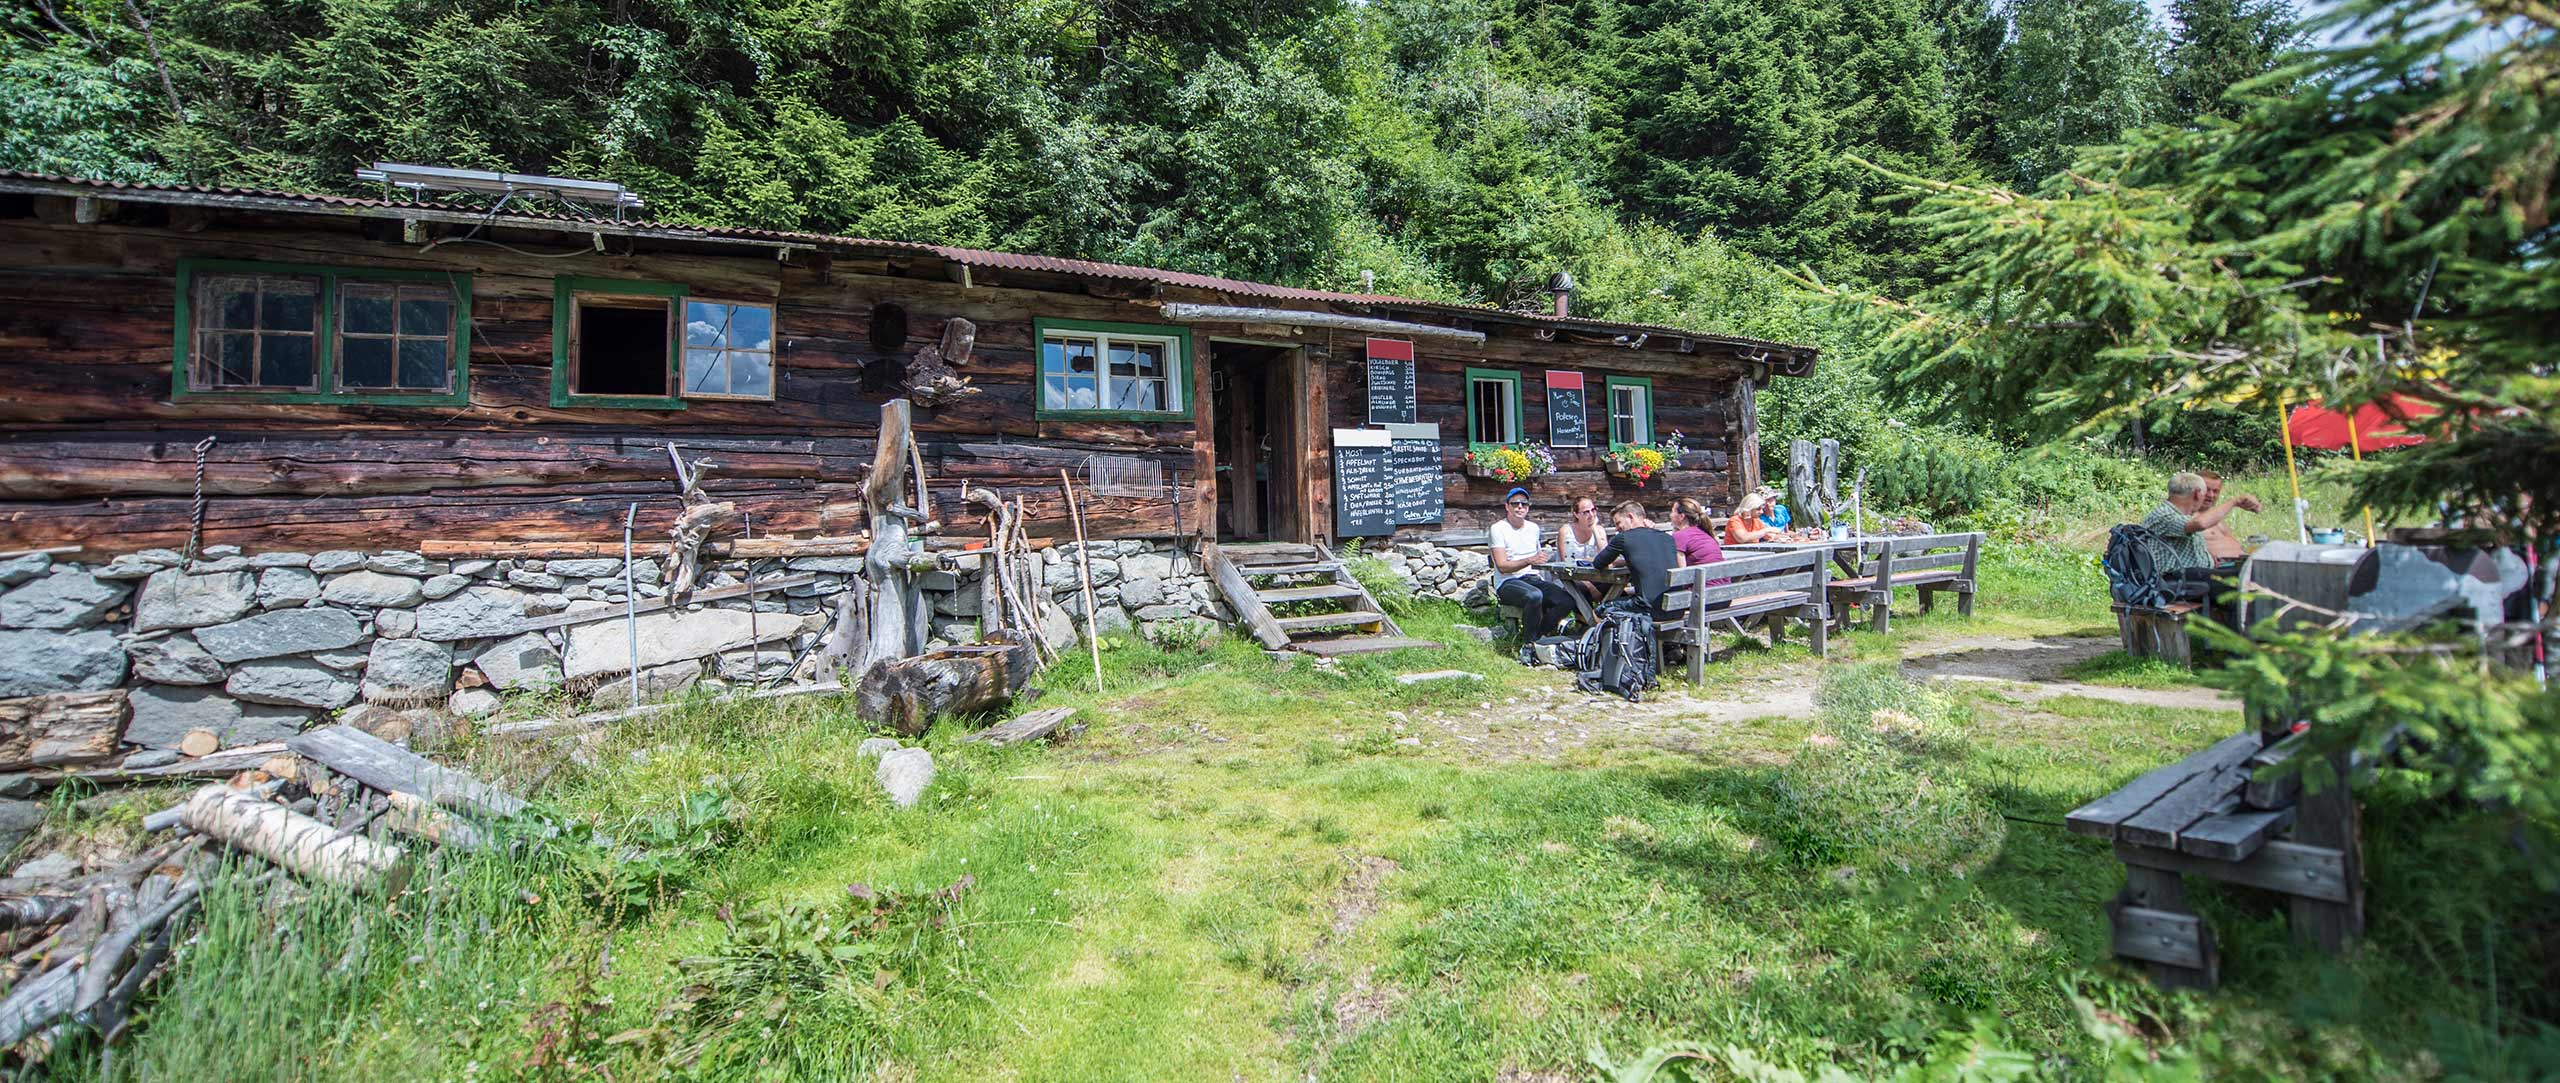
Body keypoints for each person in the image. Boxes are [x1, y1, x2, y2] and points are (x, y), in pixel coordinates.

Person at [2143, 472, 2259, 603]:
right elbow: (2200, 523)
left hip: (2192, 575)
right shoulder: (2164, 514)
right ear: (2198, 494)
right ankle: (2240, 623)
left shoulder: (2180, 515)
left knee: (2251, 575)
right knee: (2242, 584)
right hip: (2174, 580)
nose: (2209, 496)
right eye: (2206, 493)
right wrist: (2234, 501)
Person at [1489, 487, 1579, 639]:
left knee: (1567, 600)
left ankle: (1538, 636)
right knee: (1535, 595)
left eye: (1524, 504)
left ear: (1528, 508)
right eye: (1515, 503)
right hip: (1508, 582)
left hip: (1533, 578)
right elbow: (1502, 566)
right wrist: (1530, 560)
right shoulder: (1498, 529)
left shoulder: (1533, 528)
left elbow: (1537, 558)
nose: (1520, 507)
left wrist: (1543, 560)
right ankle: (1529, 644)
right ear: (1507, 506)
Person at [1590, 501, 1680, 609]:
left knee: (1600, 610)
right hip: (1675, 608)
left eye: (1618, 523)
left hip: (1648, 609)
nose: (1617, 528)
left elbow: (1598, 563)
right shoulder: (1668, 538)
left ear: (1630, 517)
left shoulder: (1623, 538)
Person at [1667, 497, 1730, 585]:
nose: (1670, 515)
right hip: (1724, 588)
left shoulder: (1680, 536)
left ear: (1681, 516)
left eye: (1673, 511)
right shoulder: (1704, 533)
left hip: (1704, 591)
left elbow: (1681, 573)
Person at [2196, 471, 2250, 564]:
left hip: (2241, 563)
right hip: (2218, 569)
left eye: (2215, 491)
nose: (2211, 495)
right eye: (2207, 490)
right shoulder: (2189, 517)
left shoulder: (2216, 516)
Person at [1558, 496, 1610, 566]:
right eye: (1586, 512)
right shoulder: (1566, 532)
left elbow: (1606, 557)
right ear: (1576, 514)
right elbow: (1567, 561)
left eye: (1593, 510)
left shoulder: (1600, 531)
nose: (1591, 515)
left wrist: (1594, 528)